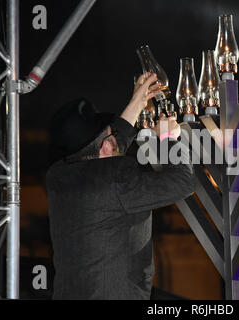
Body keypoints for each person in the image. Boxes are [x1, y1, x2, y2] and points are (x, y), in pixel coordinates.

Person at [46, 73, 195, 299]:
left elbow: (112, 146)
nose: (117, 138)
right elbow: (182, 182)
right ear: (106, 146)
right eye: (112, 135)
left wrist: (137, 102)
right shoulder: (116, 177)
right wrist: (169, 139)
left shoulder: (57, 176)